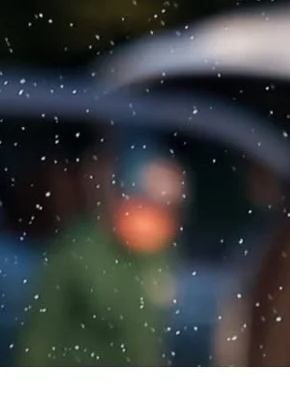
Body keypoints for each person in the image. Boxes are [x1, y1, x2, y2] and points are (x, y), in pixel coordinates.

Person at [15, 138, 187, 366]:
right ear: (125, 198)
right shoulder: (76, 253)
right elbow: (39, 340)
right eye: (151, 202)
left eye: (170, 207)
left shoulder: (160, 255)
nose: (159, 217)